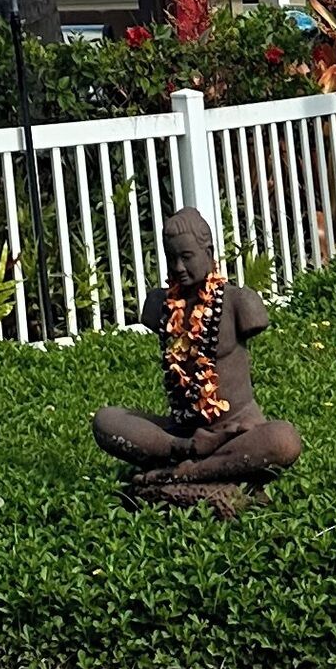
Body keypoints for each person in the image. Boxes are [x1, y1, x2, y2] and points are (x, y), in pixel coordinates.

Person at [93, 208, 303, 515]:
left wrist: (221, 439)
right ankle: (190, 455)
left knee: (284, 440)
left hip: (237, 431)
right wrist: (185, 443)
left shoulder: (239, 302)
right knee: (106, 421)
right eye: (171, 258)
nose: (178, 267)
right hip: (181, 434)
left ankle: (187, 473)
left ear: (209, 252)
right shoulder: (159, 305)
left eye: (187, 256)